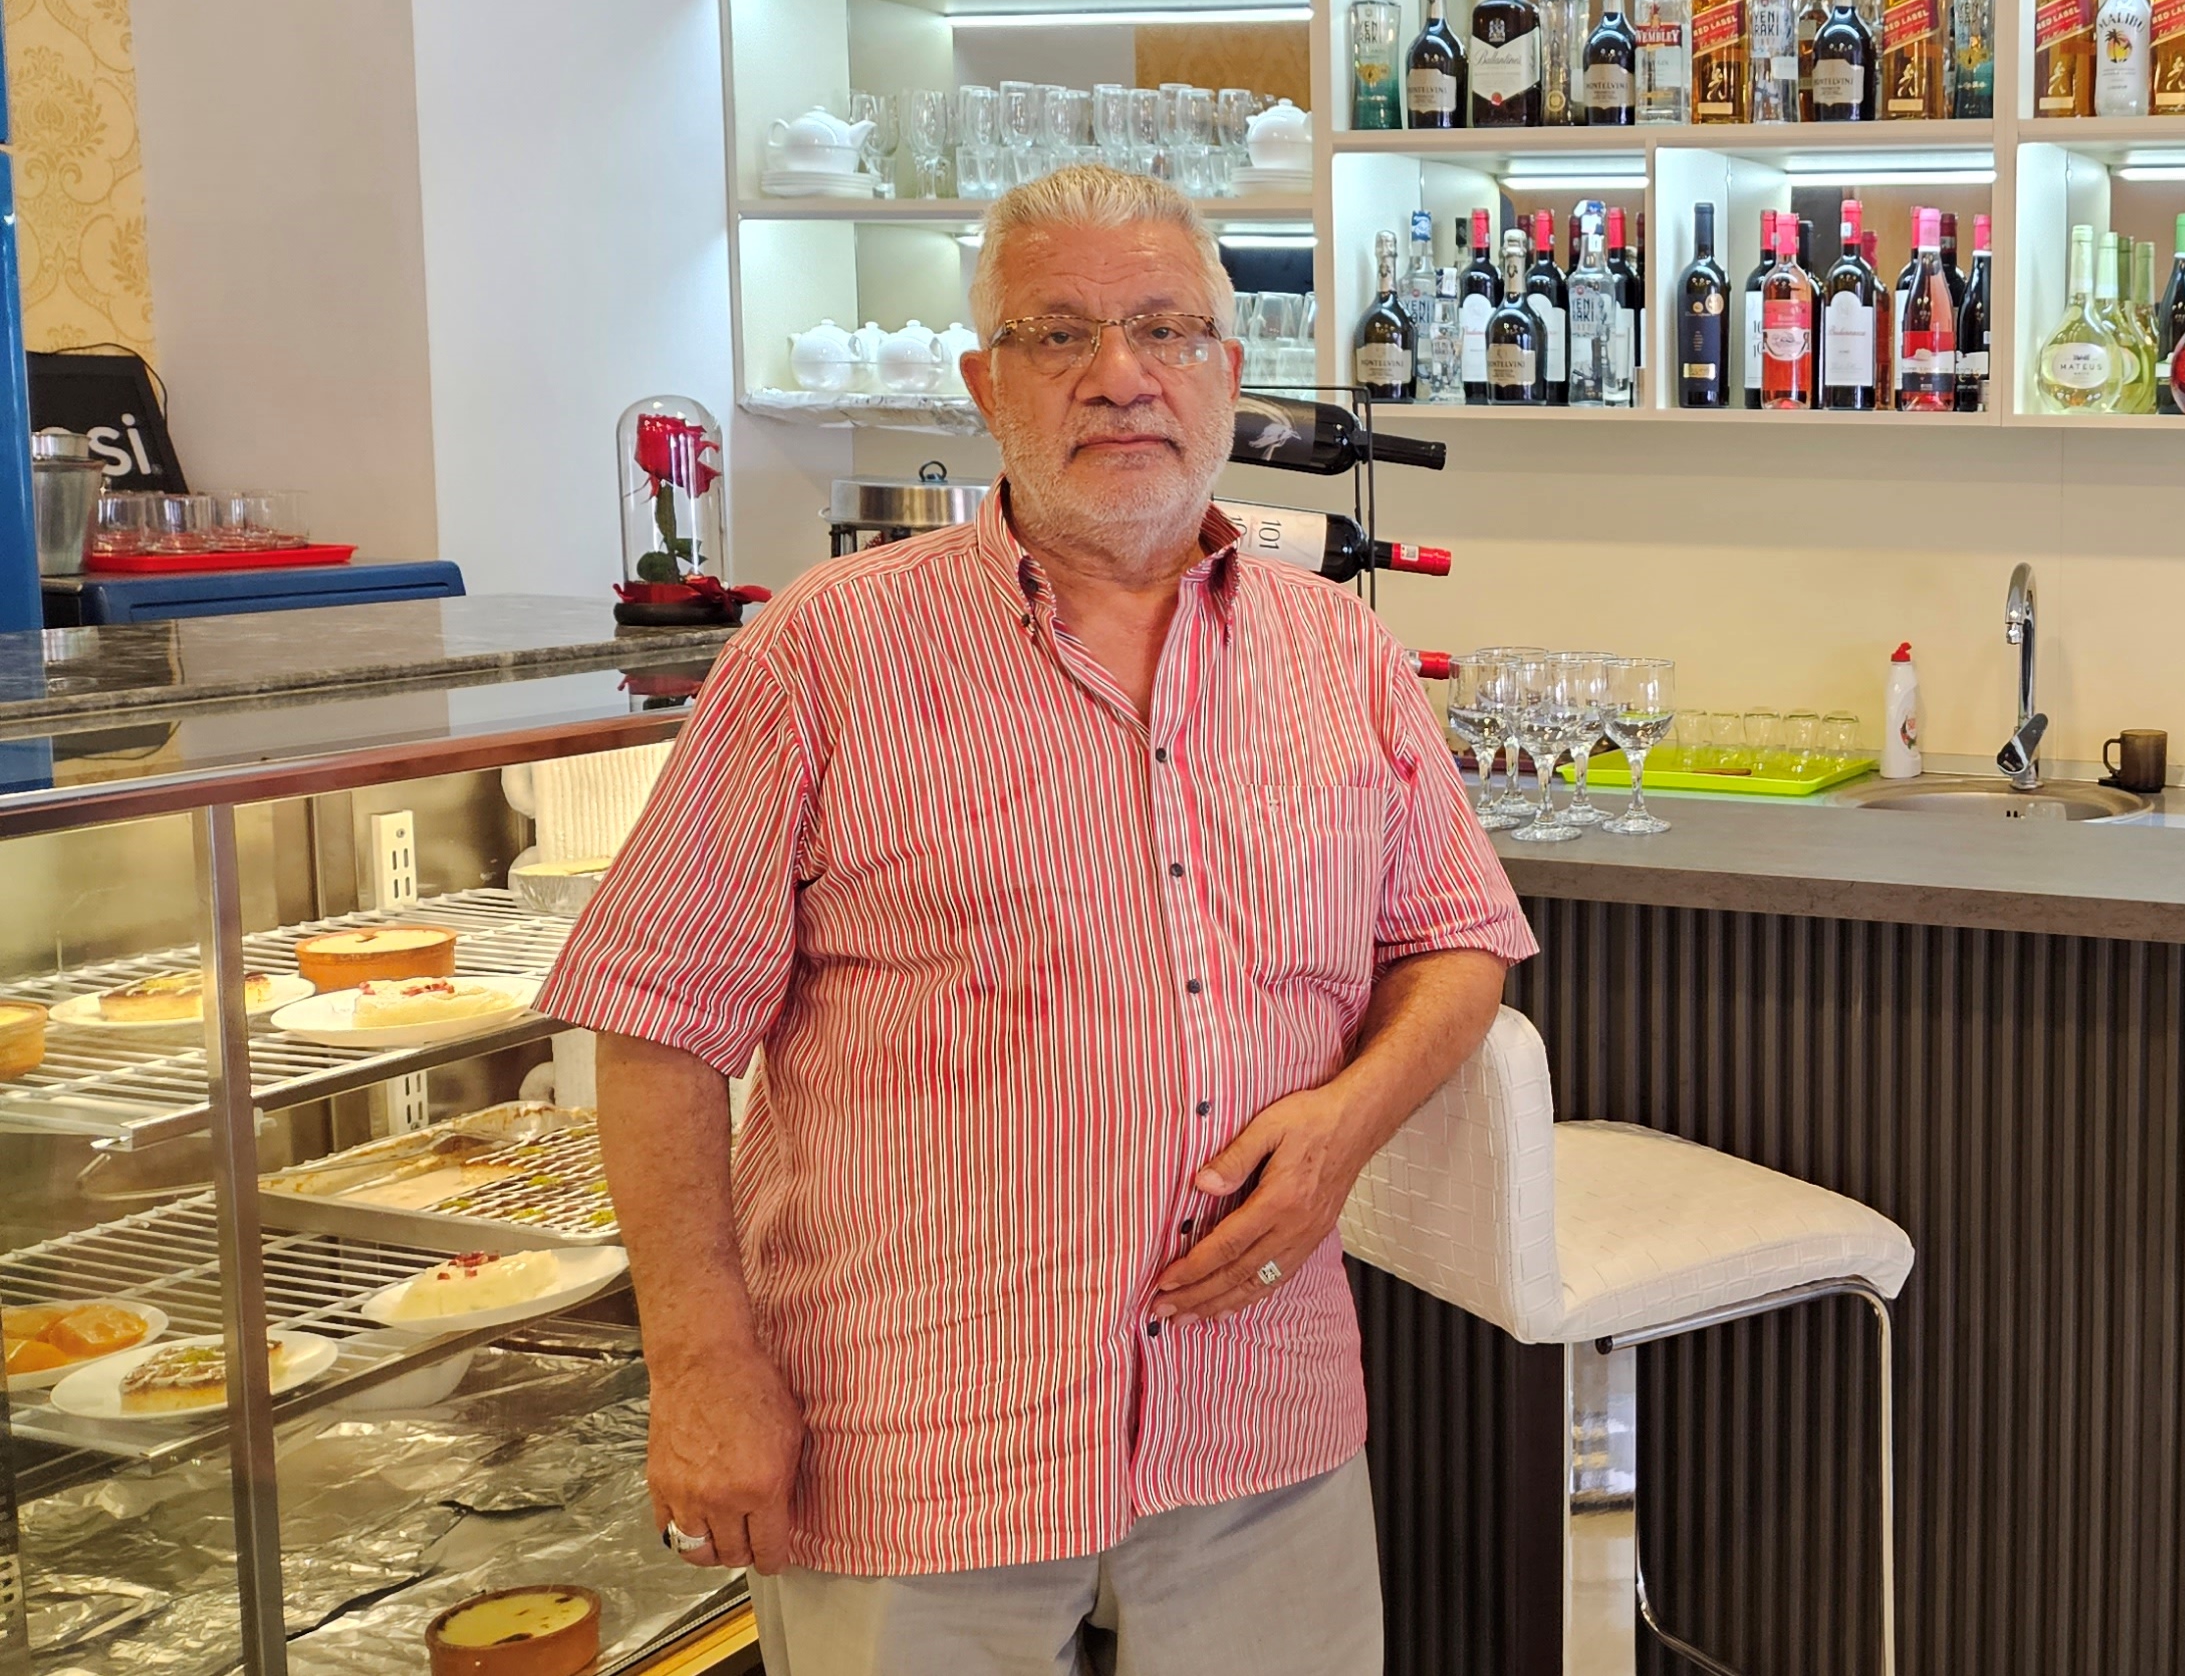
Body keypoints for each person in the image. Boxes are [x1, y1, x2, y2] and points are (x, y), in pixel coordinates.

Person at [540, 164, 1528, 1674]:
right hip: (914, 1444)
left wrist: (1344, 1128)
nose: (1122, 376)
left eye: (1165, 330)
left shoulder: (1342, 652)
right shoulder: (822, 652)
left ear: (1230, 372)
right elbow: (657, 1021)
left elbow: (1458, 941)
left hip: (1257, 1422)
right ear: (984, 383)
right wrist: (698, 1358)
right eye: (1060, 334)